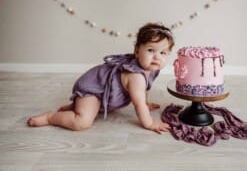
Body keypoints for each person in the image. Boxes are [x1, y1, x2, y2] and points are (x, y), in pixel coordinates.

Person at [27, 23, 175, 134]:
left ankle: (77, 105)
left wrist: (146, 102)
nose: (157, 57)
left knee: (92, 110)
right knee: (82, 122)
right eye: (151, 50)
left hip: (104, 91)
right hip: (94, 90)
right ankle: (51, 117)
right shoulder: (136, 76)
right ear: (137, 51)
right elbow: (138, 104)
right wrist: (149, 123)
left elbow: (144, 90)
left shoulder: (151, 68)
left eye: (163, 53)